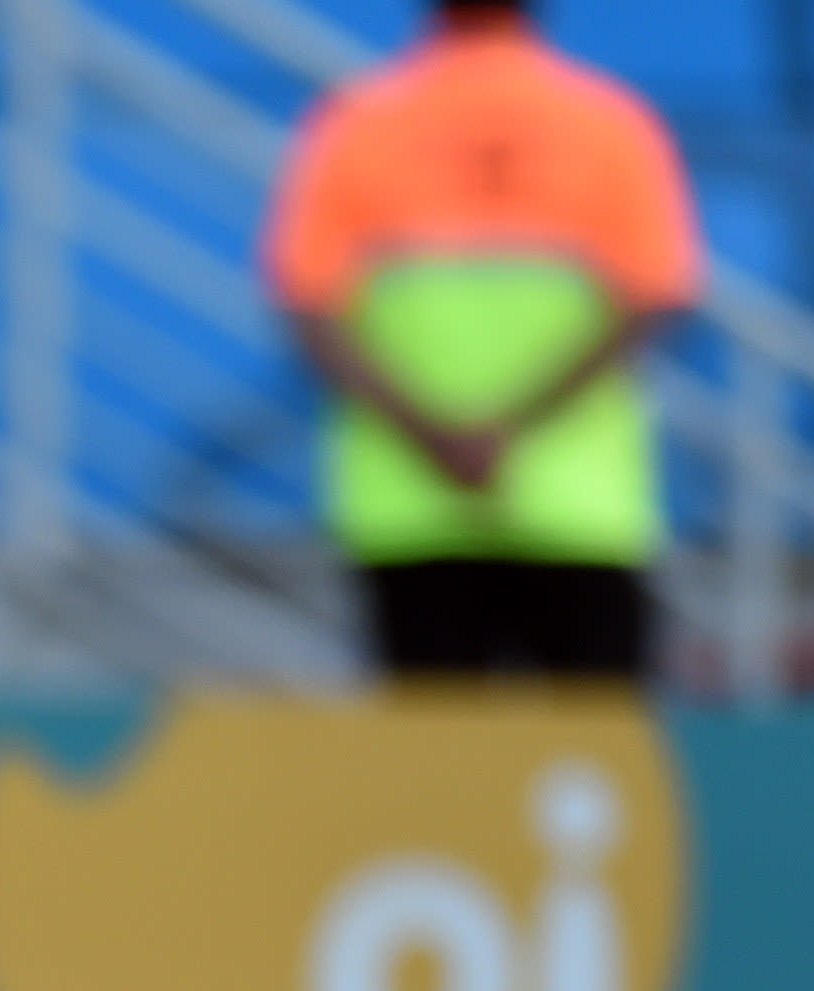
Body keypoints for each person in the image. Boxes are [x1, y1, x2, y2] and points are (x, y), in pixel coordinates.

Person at [263, 0, 702, 682]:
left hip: (411, 502)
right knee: (595, 766)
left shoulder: (360, 121)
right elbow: (653, 298)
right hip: (577, 502)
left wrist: (436, 435)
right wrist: (512, 430)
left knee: (434, 777)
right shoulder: (610, 122)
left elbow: (307, 306)